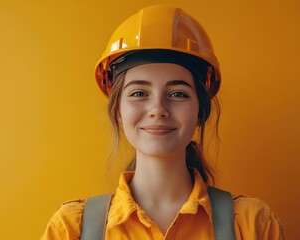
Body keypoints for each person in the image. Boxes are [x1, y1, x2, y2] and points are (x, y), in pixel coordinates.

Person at [41, 4, 284, 239]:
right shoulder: (71, 229)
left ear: (200, 111)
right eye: (139, 93)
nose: (158, 109)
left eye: (178, 93)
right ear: (117, 110)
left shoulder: (252, 224)